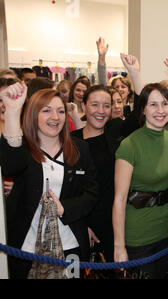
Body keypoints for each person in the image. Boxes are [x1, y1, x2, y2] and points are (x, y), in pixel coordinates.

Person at [0, 83, 99, 278]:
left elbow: (92, 193)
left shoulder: (80, 149)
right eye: (46, 111)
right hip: (26, 247)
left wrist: (65, 209)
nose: (55, 117)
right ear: (33, 114)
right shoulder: (23, 148)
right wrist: (12, 111)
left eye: (60, 111)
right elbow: (10, 165)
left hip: (70, 244)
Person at [112, 83, 168, 279]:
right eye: (153, 105)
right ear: (142, 109)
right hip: (139, 237)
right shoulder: (129, 145)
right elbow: (119, 199)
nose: (160, 110)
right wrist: (119, 245)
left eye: (165, 104)